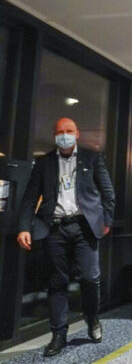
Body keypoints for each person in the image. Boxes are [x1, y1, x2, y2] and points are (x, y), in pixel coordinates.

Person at [16, 118, 115, 357]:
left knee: (90, 278)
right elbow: (30, 197)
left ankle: (93, 320)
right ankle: (59, 333)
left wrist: (107, 221)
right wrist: (23, 227)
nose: (64, 135)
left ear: (77, 134)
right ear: (54, 135)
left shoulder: (92, 158)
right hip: (54, 228)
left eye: (68, 131)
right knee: (56, 282)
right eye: (60, 132)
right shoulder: (43, 162)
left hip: (85, 227)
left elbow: (107, 192)